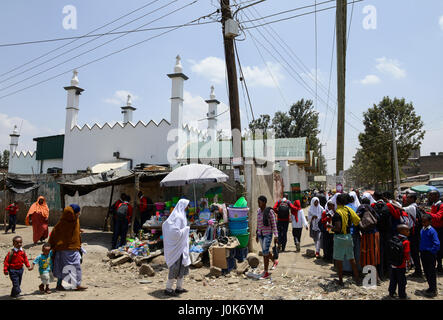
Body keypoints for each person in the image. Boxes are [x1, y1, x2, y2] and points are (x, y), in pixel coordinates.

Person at [49, 204, 87, 291]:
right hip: (63, 249)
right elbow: (55, 234)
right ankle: (62, 285)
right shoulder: (62, 224)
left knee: (73, 267)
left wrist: (79, 230)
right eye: (77, 213)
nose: (79, 214)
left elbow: (74, 230)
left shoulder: (75, 220)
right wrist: (50, 246)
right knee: (64, 267)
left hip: (74, 249)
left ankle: (74, 284)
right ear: (71, 214)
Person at [327, 193, 361, 286]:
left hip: (339, 237)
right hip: (349, 236)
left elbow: (337, 228)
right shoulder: (349, 210)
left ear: (338, 201)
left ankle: (341, 280)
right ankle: (357, 279)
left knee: (339, 260)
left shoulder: (337, 213)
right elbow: (357, 221)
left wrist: (330, 226)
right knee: (351, 258)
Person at [162, 199, 191, 296]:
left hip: (181, 246)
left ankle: (179, 287)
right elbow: (176, 232)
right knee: (175, 267)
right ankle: (168, 288)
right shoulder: (178, 217)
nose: (188, 207)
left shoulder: (181, 215)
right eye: (187, 205)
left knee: (182, 266)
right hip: (177, 247)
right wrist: (187, 229)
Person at [256, 195, 278, 280]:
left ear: (264, 202)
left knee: (265, 253)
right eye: (258, 202)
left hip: (267, 234)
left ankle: (266, 272)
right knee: (266, 251)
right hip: (260, 234)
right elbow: (258, 223)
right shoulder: (258, 211)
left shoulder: (269, 212)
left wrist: (276, 235)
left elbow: (273, 224)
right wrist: (257, 234)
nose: (258, 204)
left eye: (260, 202)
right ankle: (274, 261)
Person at [357, 198, 380, 276]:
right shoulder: (372, 208)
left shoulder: (362, 207)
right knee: (374, 254)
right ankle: (375, 275)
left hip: (367, 234)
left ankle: (373, 276)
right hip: (375, 233)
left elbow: (357, 217)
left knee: (367, 254)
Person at [419, 214, 440, 298]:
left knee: (431, 272)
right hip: (423, 253)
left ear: (430, 221)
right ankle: (430, 287)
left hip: (429, 254)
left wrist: (430, 251)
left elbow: (437, 244)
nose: (423, 223)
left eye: (425, 221)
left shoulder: (432, 231)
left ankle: (433, 289)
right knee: (426, 271)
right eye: (422, 222)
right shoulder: (422, 229)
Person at [388, 224, 411, 299]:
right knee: (402, 281)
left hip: (393, 264)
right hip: (401, 264)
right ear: (402, 231)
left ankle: (391, 292)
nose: (409, 232)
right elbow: (407, 253)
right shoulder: (406, 241)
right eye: (407, 230)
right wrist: (409, 261)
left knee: (393, 279)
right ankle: (402, 295)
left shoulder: (394, 238)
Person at [403, 192, 423, 278]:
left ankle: (418, 271)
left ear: (412, 199)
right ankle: (417, 269)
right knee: (414, 252)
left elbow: (401, 209)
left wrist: (391, 203)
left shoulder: (411, 207)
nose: (406, 199)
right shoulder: (415, 206)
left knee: (414, 252)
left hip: (413, 233)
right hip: (416, 232)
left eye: (408, 198)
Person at [426, 190, 443, 274]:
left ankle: (440, 266)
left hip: (440, 230)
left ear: (436, 196)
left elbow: (438, 217)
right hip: (435, 229)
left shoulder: (441, 206)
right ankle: (438, 266)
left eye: (431, 196)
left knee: (439, 248)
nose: (429, 197)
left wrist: (426, 213)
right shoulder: (434, 205)